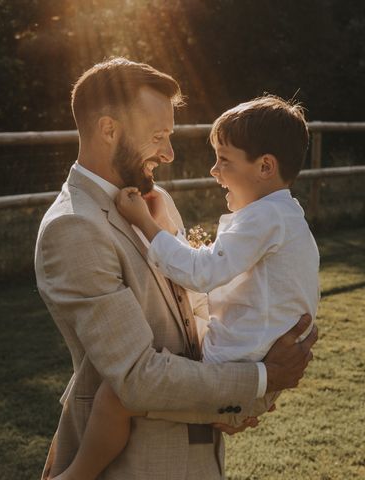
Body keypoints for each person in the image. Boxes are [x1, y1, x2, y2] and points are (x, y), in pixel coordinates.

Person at [34, 58, 318, 480]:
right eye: (158, 137)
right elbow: (137, 377)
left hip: (198, 455)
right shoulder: (74, 227)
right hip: (136, 465)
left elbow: (198, 310)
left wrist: (240, 384)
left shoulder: (155, 200)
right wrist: (257, 379)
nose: (168, 153)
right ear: (109, 130)